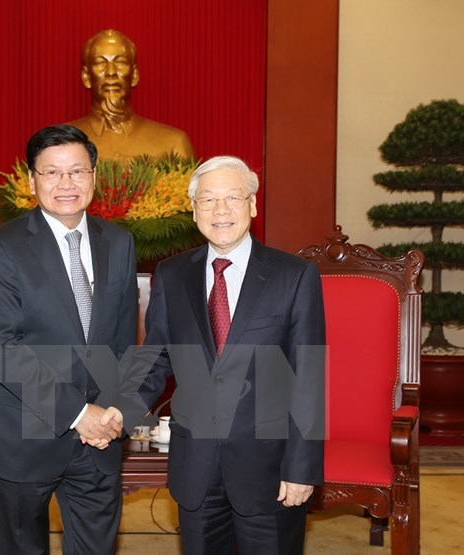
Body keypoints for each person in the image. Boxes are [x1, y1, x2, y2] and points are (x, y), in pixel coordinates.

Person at [121, 156, 326, 554]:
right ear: (193, 209)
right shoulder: (172, 274)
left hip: (269, 467)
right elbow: (157, 358)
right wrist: (118, 410)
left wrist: (301, 468)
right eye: (209, 199)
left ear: (252, 204)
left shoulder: (294, 275)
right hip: (194, 465)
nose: (221, 210)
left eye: (232, 197)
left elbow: (309, 376)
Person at [0, 124, 138, 554]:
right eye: (52, 173)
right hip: (24, 437)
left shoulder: (119, 243)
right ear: (31, 181)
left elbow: (122, 343)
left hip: (99, 440)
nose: (66, 184)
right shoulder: (0, 247)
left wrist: (113, 413)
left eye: (77, 171)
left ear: (94, 177)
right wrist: (78, 412)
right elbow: (2, 350)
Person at [68, 29, 195, 161]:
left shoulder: (173, 144)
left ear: (134, 75)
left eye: (120, 62)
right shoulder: (57, 142)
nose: (111, 72)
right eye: (100, 63)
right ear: (86, 76)